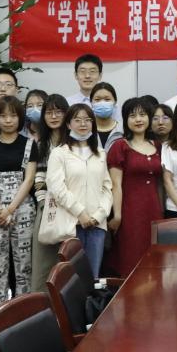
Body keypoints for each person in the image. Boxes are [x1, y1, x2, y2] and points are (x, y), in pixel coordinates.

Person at [45, 103, 113, 276]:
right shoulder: (59, 153)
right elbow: (57, 188)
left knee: (93, 276)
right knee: (72, 278)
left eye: (87, 120)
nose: (83, 124)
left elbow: (107, 187)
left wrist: (99, 215)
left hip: (97, 224)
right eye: (77, 120)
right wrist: (80, 213)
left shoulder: (100, 153)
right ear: (68, 124)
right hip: (71, 224)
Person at [0, 96, 36, 307]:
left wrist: (11, 209)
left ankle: (23, 311)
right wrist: (0, 210)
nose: (8, 120)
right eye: (3, 116)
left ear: (20, 118)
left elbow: (29, 179)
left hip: (23, 209)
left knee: (24, 264)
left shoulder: (30, 144)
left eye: (13, 115)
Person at [107, 98, 164, 276]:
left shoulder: (157, 145)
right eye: (132, 116)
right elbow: (116, 184)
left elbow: (161, 182)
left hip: (154, 210)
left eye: (142, 114)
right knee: (131, 256)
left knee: (155, 258)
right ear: (125, 120)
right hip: (130, 212)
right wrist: (117, 215)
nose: (138, 119)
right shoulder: (120, 146)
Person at [30, 94, 71, 289]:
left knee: (68, 260)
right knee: (43, 262)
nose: (54, 116)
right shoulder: (40, 144)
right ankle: (42, 302)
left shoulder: (75, 142)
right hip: (48, 206)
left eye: (58, 112)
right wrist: (42, 201)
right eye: (49, 112)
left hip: (72, 208)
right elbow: (38, 176)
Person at [89, 81, 124, 150]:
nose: (102, 103)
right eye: (97, 99)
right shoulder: (86, 129)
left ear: (115, 102)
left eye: (107, 99)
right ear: (91, 103)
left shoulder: (123, 130)